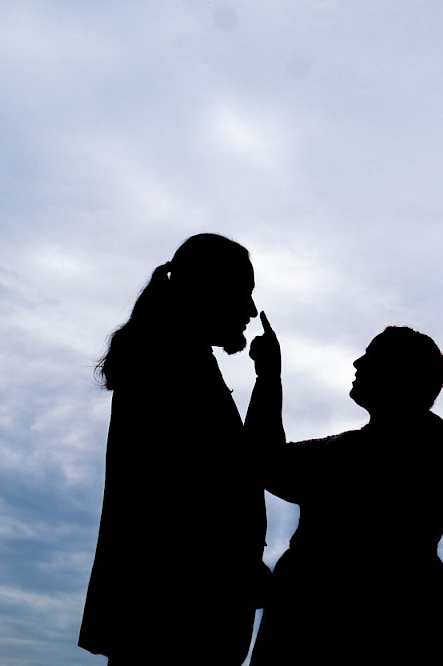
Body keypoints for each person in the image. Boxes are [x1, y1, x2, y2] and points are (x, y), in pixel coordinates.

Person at [79, 233, 281, 665]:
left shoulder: (172, 358)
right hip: (178, 619)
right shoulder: (171, 366)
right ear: (210, 291)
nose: (249, 310)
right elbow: (228, 476)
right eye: (242, 294)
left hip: (169, 614)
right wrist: (268, 381)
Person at [250, 326, 443, 664]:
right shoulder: (420, 443)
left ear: (398, 374)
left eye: (372, 356)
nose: (357, 362)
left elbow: (268, 462)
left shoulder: (397, 448)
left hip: (339, 628)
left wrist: (268, 377)